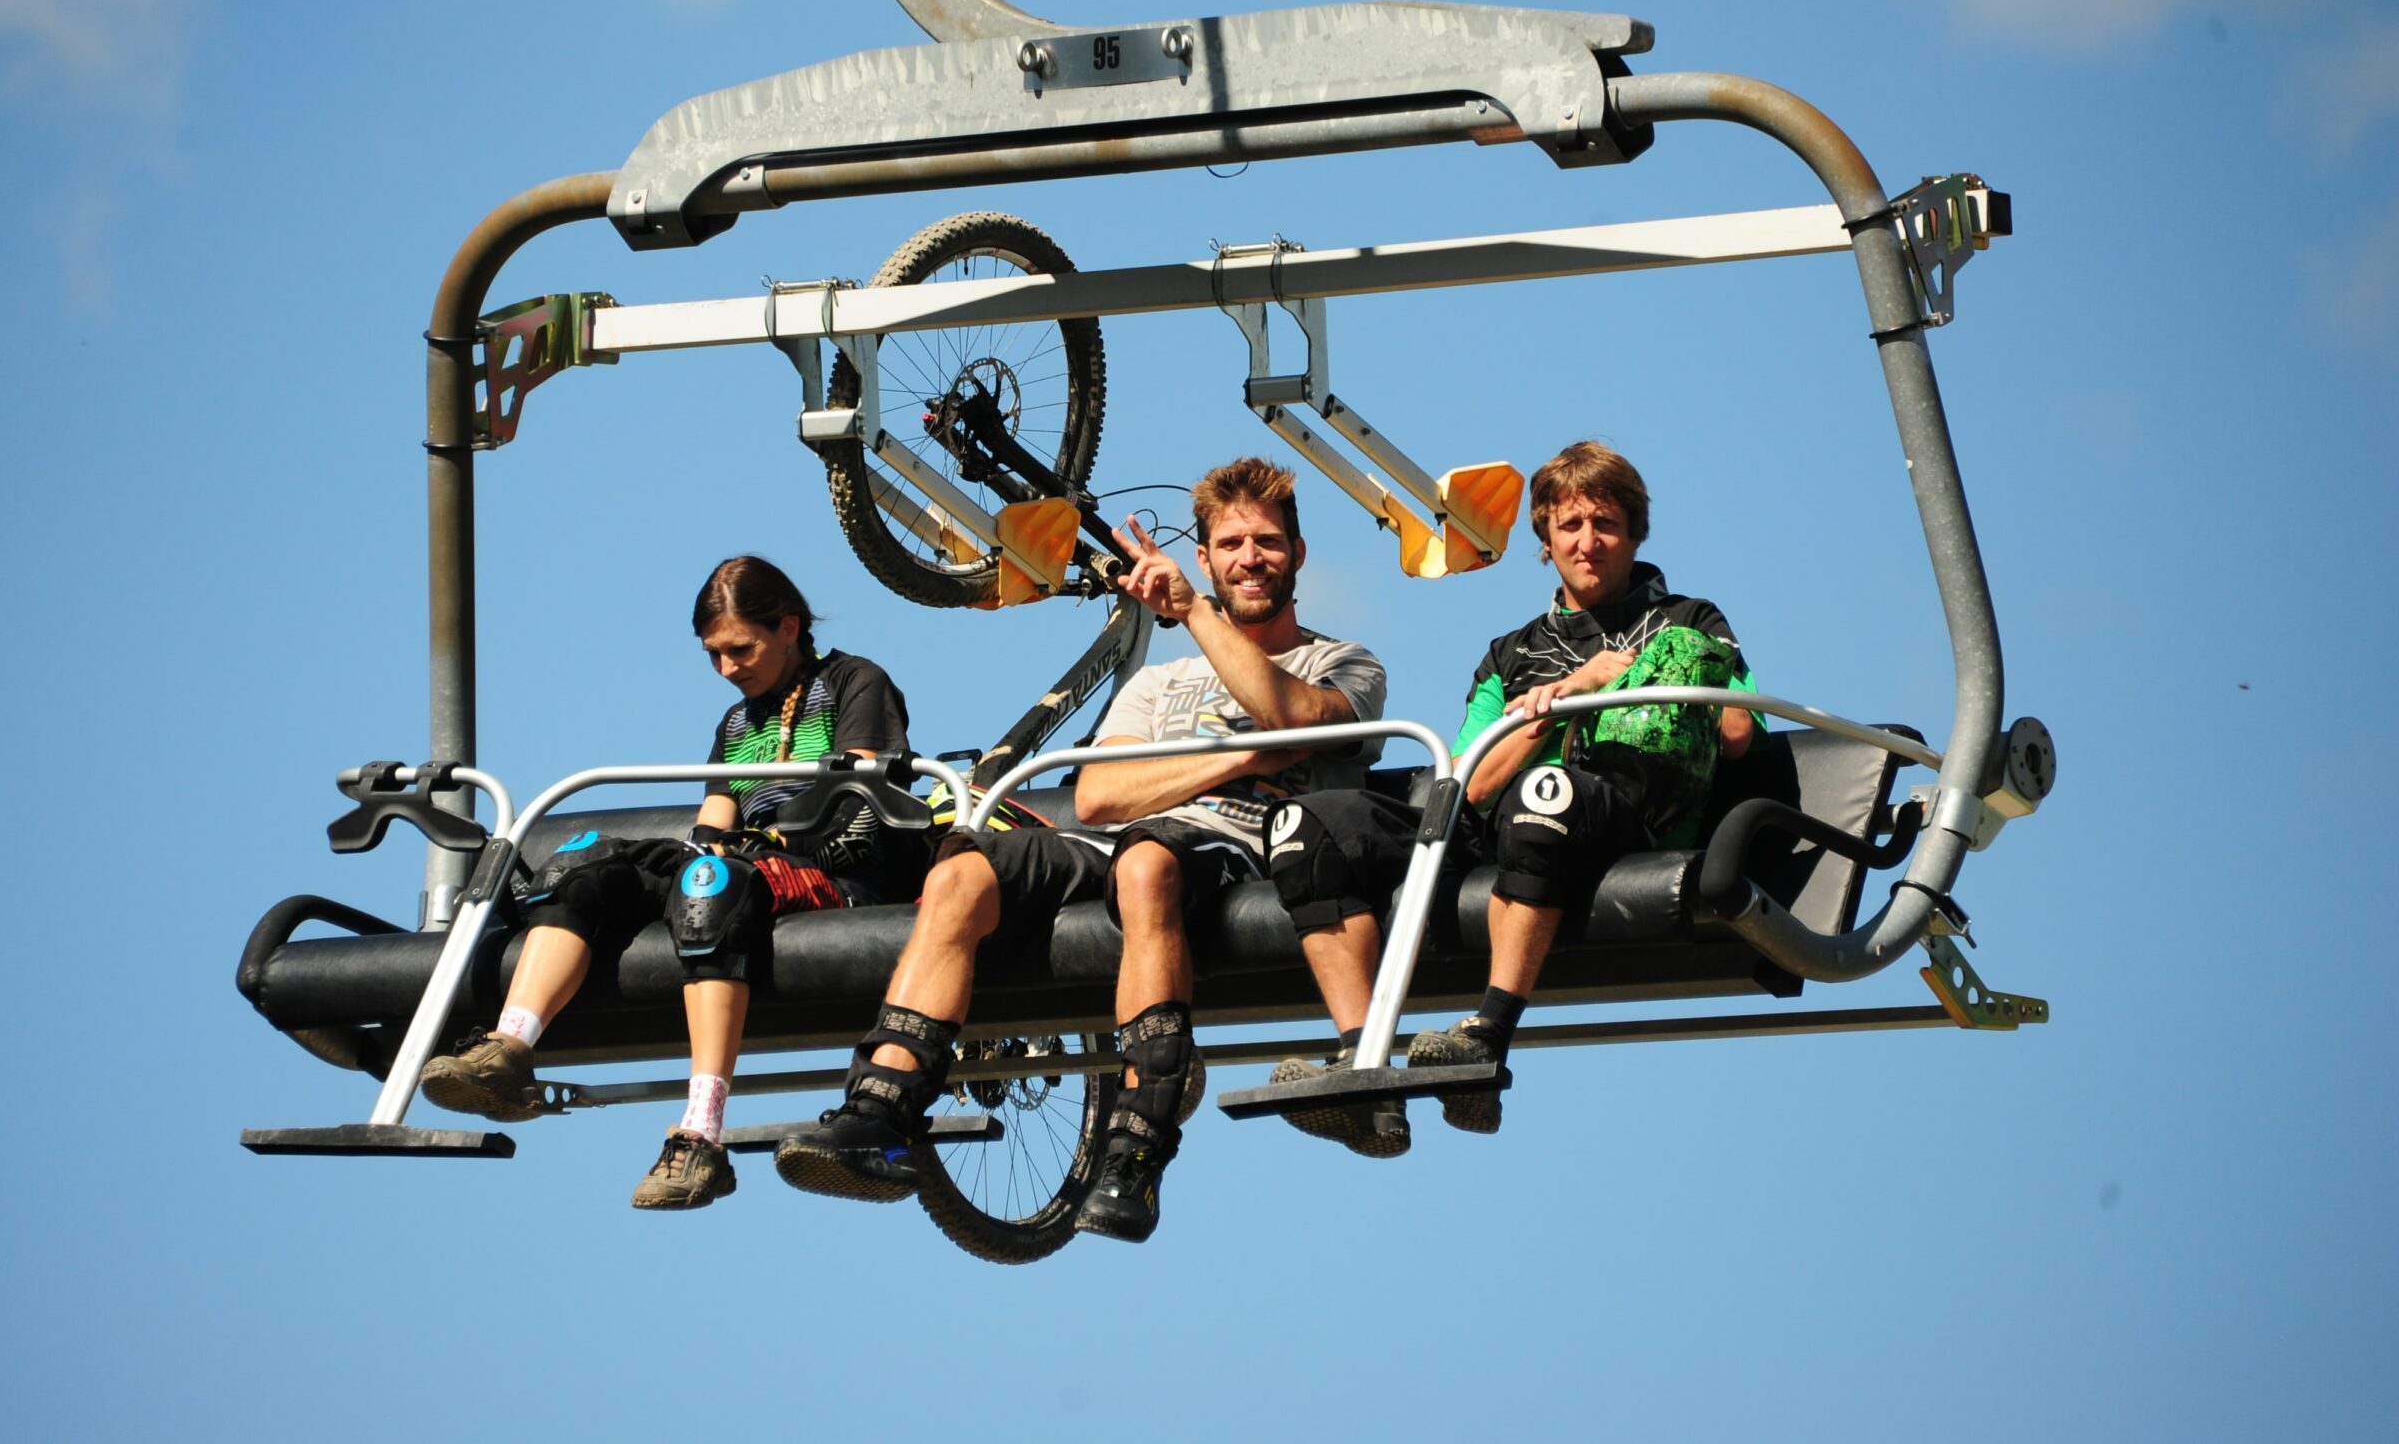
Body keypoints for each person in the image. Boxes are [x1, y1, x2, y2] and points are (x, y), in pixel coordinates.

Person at [774, 457, 1386, 1242]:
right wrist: (1240, 758)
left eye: (1267, 542)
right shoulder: (1157, 684)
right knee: (963, 865)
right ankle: (880, 1108)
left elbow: (1287, 711)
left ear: (1298, 555)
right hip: (1104, 844)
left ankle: (1138, 1146)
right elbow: (1099, 795)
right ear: (1207, 555)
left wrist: (1194, 615)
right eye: (1230, 543)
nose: (1250, 558)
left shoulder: (1346, 662)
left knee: (1148, 860)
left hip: (1226, 848)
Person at [1262, 439, 1760, 1150]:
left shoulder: (1690, 621)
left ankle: (1485, 1044)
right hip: (1495, 817)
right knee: (1306, 824)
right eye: (1571, 526)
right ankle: (1363, 1066)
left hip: (1623, 818)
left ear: (1634, 531)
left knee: (1546, 791)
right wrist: (1563, 698)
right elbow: (1471, 779)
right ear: (1546, 539)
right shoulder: (1512, 652)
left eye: (1606, 524)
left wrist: (1652, 684)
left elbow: (1740, 731)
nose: (1588, 542)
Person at [420, 556, 920, 1210]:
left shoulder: (854, 682)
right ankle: (510, 1049)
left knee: (712, 884)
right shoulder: (737, 726)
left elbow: (861, 794)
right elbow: (715, 823)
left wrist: (740, 854)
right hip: (753, 866)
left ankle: (701, 1134)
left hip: (839, 875)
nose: (727, 668)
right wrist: (687, 859)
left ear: (789, 626)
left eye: (741, 649)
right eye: (713, 654)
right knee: (583, 869)